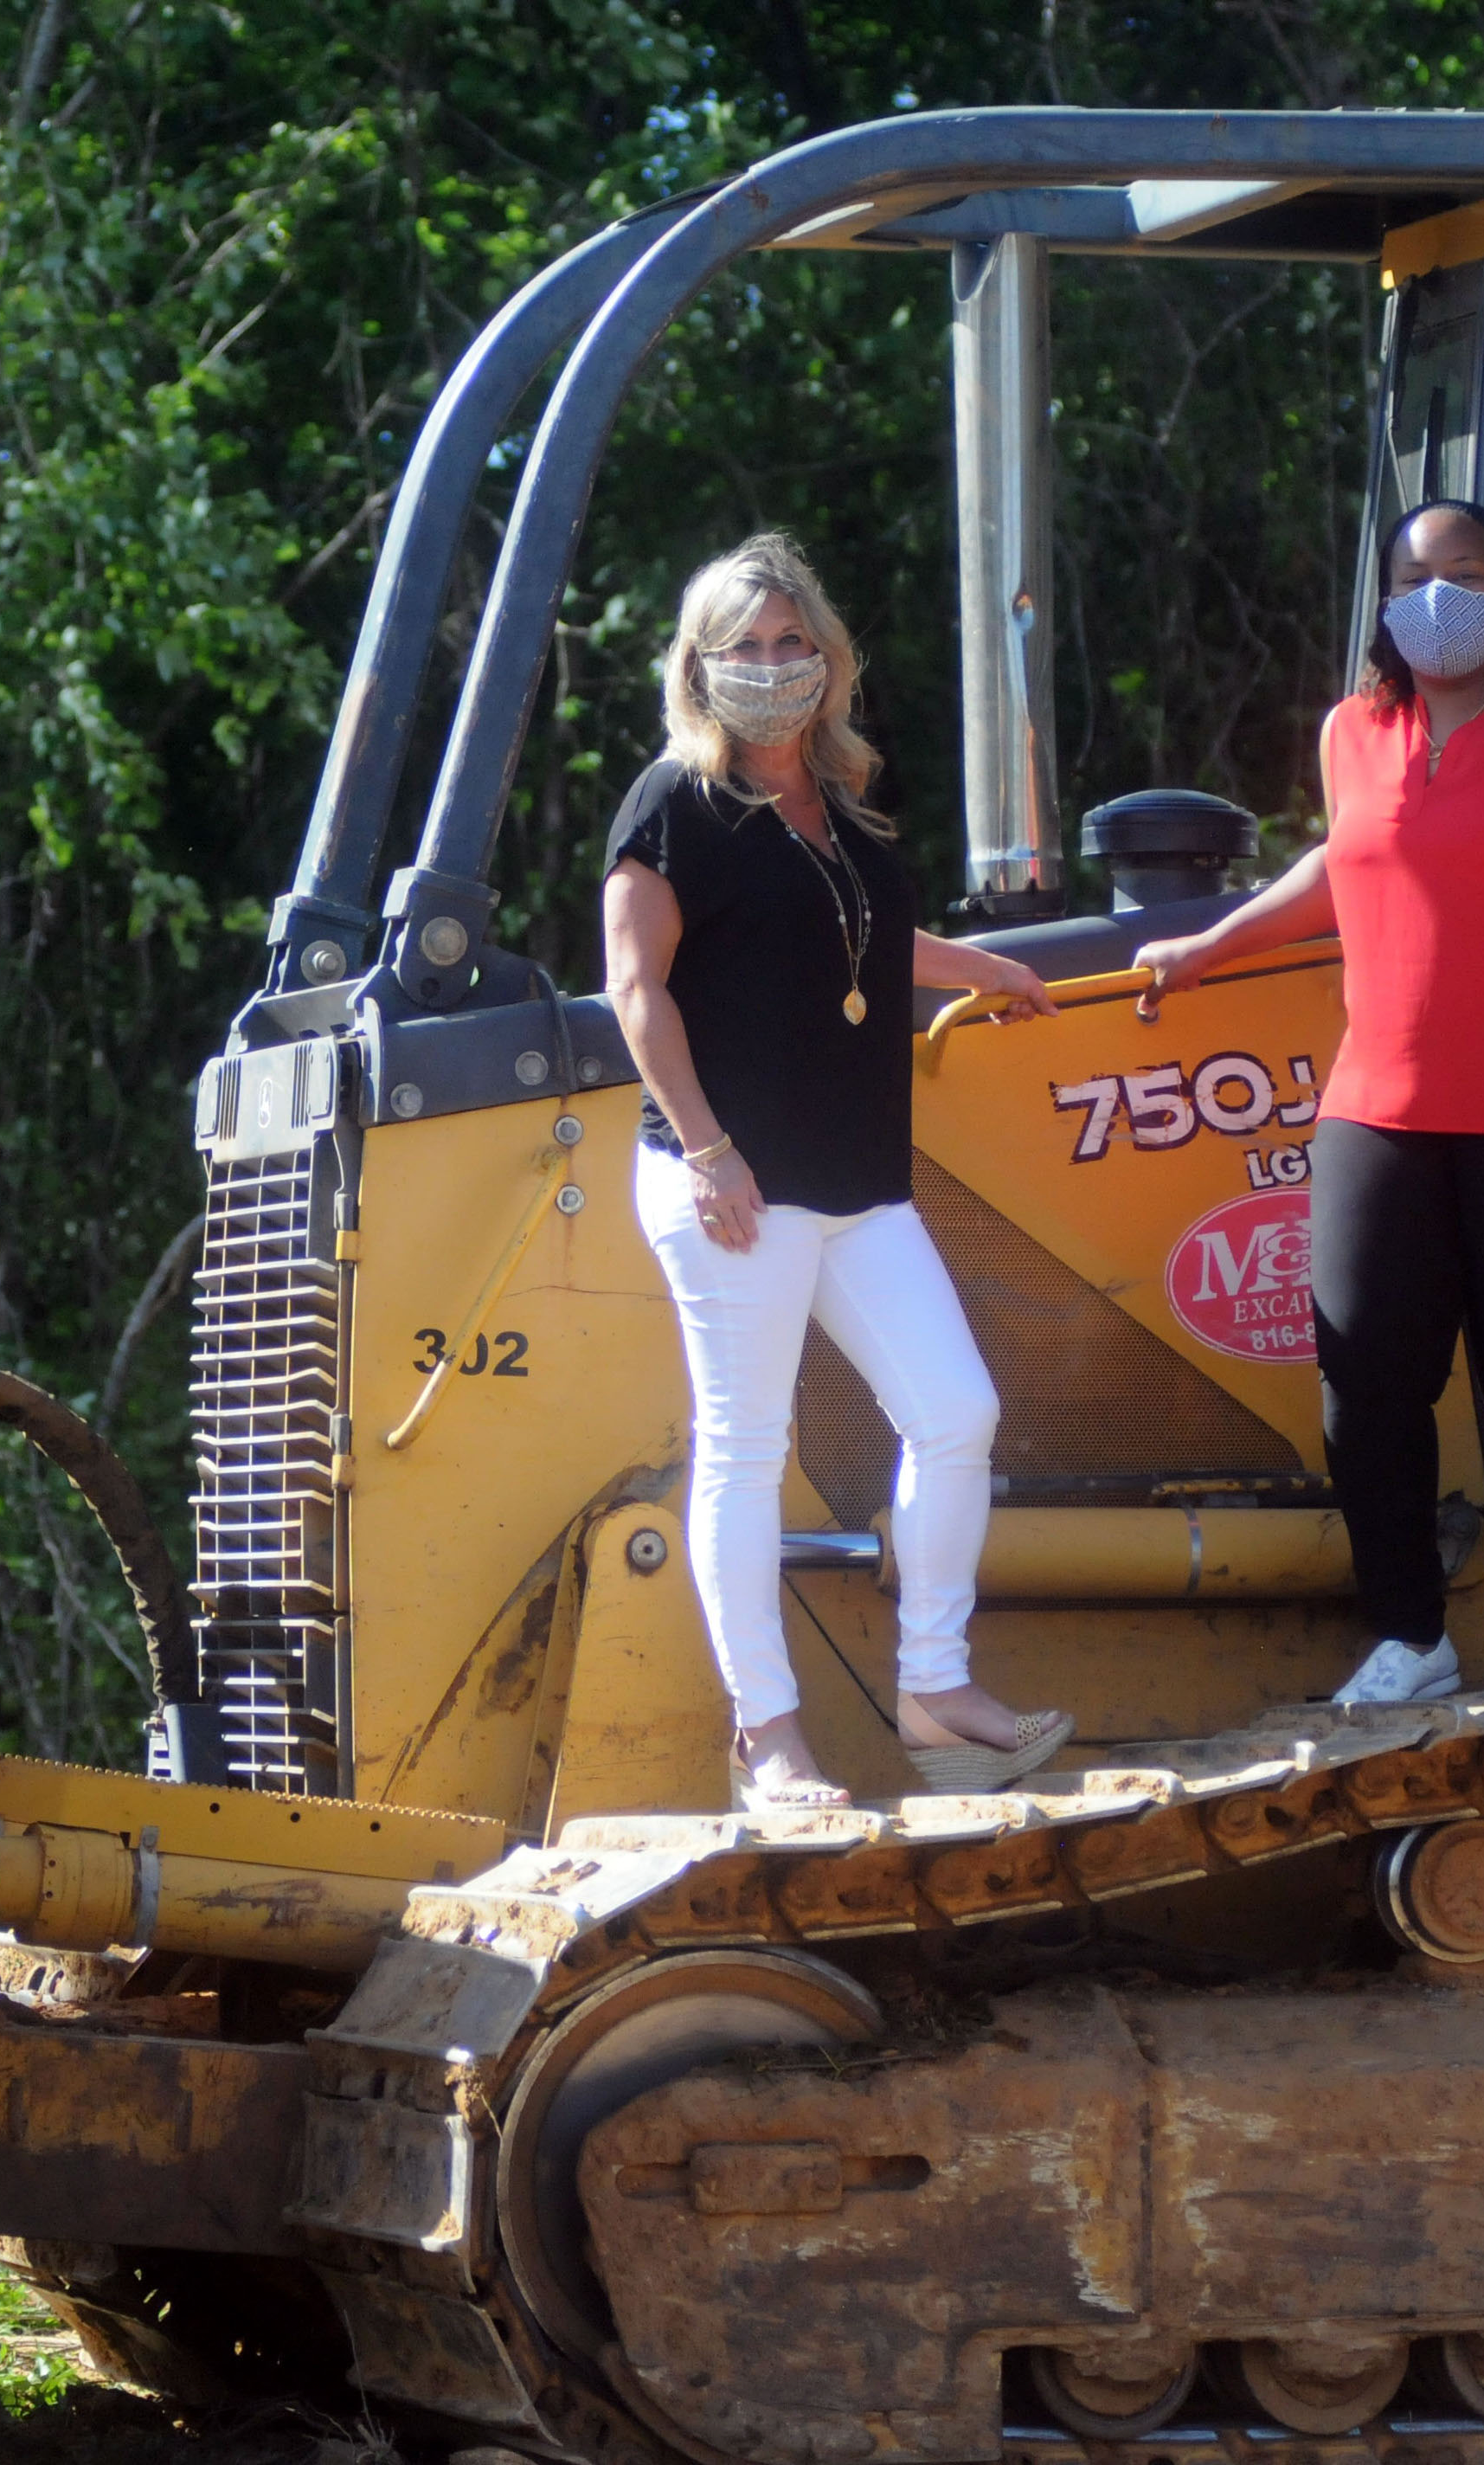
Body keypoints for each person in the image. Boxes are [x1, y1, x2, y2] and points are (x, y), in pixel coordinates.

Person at [1134, 499, 1484, 1705]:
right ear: (1385, 602)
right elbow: (1341, 860)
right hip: (1378, 1109)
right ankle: (1410, 1638)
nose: (1440, 596)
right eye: (1415, 576)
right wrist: (1207, 945)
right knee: (1363, 1381)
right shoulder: (1354, 731)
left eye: (1468, 572)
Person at [601, 531, 1072, 1809]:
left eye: (790, 641)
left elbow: (861, 938)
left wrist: (994, 973)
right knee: (745, 1451)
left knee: (957, 1411)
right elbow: (636, 992)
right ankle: (771, 1742)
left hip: (858, 1183)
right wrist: (708, 1151)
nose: (769, 665)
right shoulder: (672, 804)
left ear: (827, 655)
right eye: (743, 647)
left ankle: (932, 1687)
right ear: (699, 667)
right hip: (732, 1187)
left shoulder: (846, 798)